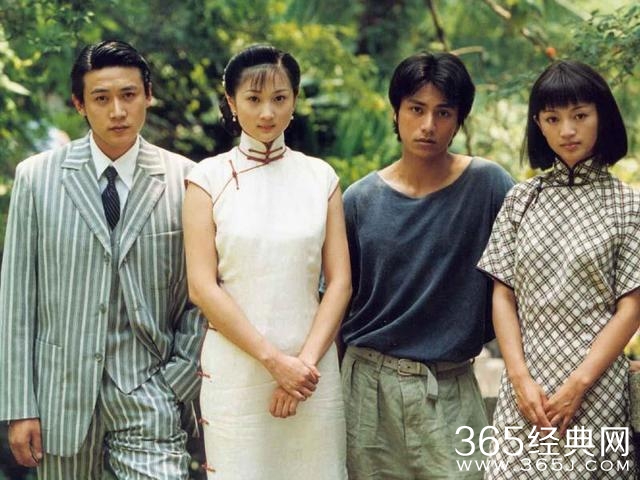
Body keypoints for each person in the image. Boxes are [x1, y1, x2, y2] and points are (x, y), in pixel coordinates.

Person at [0, 40, 204, 479]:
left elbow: (202, 295)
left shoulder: (188, 179)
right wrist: (19, 406)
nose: (117, 111)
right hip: (60, 398)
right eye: (101, 98)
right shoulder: (36, 178)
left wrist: (179, 380)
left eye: (129, 95)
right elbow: (17, 300)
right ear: (79, 104)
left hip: (151, 392)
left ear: (148, 95)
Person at [340, 51, 514, 479]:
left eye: (443, 112)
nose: (428, 125)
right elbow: (337, 302)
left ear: (459, 120)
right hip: (368, 389)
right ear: (396, 112)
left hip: (451, 387)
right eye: (416, 109)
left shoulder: (489, 186)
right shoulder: (359, 200)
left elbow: (530, 278)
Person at [182, 44, 351, 479]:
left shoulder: (320, 178)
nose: (267, 113)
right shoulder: (206, 179)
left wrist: (303, 368)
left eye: (279, 98)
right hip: (238, 374)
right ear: (231, 101)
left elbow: (340, 283)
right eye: (253, 99)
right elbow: (202, 287)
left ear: (295, 100)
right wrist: (276, 362)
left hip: (313, 371)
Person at [478, 60, 640, 478]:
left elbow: (632, 308)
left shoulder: (629, 205)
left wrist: (578, 385)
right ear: (539, 124)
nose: (567, 130)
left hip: (596, 391)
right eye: (553, 119)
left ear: (602, 116)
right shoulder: (521, 199)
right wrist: (519, 379)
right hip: (525, 392)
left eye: (580, 116)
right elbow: (503, 295)